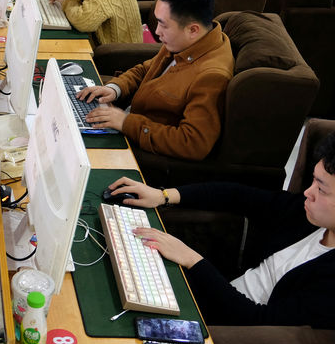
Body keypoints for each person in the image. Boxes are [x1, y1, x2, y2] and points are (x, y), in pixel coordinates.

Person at [106, 130, 335, 328]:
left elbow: (259, 322)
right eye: (312, 181)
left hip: (226, 326)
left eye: (322, 189)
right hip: (218, 293)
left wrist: (192, 259)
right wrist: (164, 196)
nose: (308, 192)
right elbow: (238, 196)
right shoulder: (311, 217)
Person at [77, 0, 234, 161]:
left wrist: (126, 123)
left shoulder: (211, 76)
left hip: (140, 147)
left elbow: (192, 143)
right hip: (127, 120)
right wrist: (115, 88)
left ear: (193, 30)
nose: (157, 32)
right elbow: (145, 70)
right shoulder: (188, 41)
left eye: (163, 24)